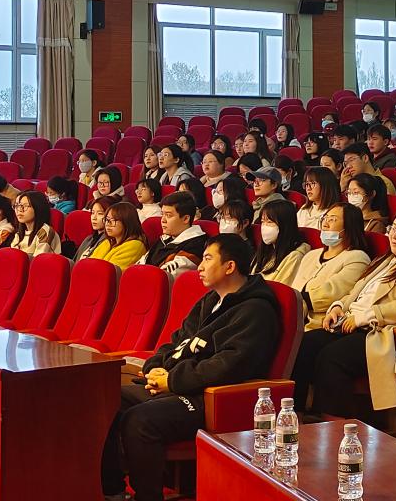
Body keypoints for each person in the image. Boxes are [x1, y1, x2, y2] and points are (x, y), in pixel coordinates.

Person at [101, 234, 280, 501]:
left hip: (209, 397)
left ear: (230, 266)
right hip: (178, 384)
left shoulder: (256, 311)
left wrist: (172, 380)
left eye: (207, 259)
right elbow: (177, 340)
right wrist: (155, 367)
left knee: (139, 421)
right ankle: (112, 491)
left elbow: (228, 366)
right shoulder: (210, 300)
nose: (200, 266)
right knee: (104, 402)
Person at [291, 207, 396, 418]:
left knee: (332, 357)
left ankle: (333, 423)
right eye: (393, 229)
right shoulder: (385, 260)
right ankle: (295, 414)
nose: (394, 235)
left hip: (380, 332)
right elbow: (355, 293)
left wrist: (364, 317)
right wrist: (338, 307)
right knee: (304, 345)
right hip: (351, 323)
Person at [273, 203, 372, 328]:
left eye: (332, 219)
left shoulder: (358, 258)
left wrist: (291, 300)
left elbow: (331, 293)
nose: (325, 224)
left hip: (318, 324)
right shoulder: (311, 255)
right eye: (325, 218)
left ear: (349, 226)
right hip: (291, 314)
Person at [139, 192, 209, 277]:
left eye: (168, 215)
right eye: (162, 214)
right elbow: (142, 262)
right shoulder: (166, 238)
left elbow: (163, 277)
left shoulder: (196, 246)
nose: (163, 220)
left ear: (185, 219)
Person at [88, 201, 148, 270]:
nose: (107, 224)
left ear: (126, 222)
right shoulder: (108, 241)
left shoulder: (135, 246)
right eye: (107, 220)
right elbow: (88, 263)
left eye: (113, 220)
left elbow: (108, 272)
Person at [253, 199, 305, 276]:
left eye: (269, 222)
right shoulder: (265, 250)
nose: (264, 227)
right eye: (262, 222)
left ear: (284, 225)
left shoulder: (294, 257)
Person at [11, 191, 62, 256]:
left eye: (25, 206)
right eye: (17, 206)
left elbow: (38, 260)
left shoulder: (44, 231)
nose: (19, 210)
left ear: (38, 207)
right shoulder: (20, 233)